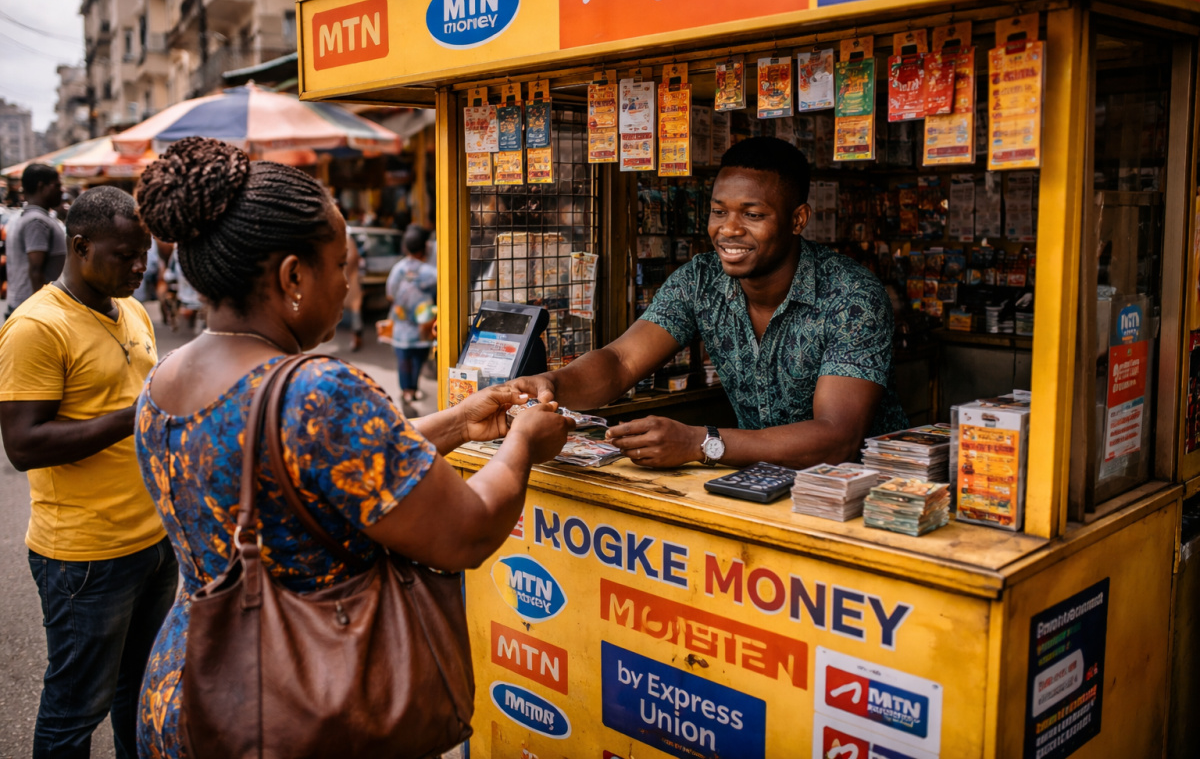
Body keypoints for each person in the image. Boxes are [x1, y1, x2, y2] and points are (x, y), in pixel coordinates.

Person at [131, 137, 571, 758]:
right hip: (305, 701)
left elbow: (295, 470)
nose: (349, 282)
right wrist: (523, 441)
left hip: (195, 686)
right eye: (341, 264)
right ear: (292, 277)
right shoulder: (317, 391)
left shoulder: (163, 378)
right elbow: (467, 532)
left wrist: (457, 424)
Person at [513, 136, 908, 469]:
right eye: (719, 212)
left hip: (862, 495)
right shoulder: (701, 280)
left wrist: (700, 443)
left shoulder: (851, 297)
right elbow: (621, 362)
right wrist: (552, 384)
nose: (729, 229)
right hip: (761, 482)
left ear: (798, 219)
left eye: (752, 214)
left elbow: (836, 437)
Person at [0, 186, 176, 759]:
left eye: (143, 254)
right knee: (75, 709)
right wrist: (136, 416)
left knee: (140, 693)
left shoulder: (132, 308)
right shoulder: (36, 327)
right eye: (124, 255)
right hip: (85, 557)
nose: (138, 267)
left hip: (152, 541)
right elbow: (23, 444)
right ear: (78, 246)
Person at [385, 226, 437, 407]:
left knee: (403, 359)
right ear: (424, 248)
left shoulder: (398, 269)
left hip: (401, 325)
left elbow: (390, 293)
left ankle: (406, 390)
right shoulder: (430, 272)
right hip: (422, 327)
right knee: (418, 359)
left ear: (406, 248)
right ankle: (413, 389)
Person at [6, 163, 66, 314]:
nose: (62, 190)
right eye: (57, 185)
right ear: (42, 187)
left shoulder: (23, 217)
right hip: (34, 310)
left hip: (24, 306)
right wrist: (43, 311)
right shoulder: (37, 222)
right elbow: (36, 271)